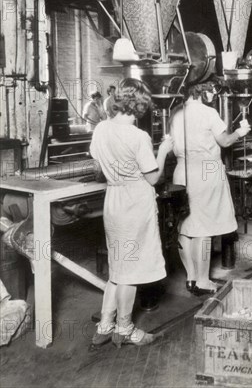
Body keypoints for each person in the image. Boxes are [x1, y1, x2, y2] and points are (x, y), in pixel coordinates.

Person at [90, 78, 173, 348]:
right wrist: (163, 153)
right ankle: (125, 328)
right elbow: (153, 179)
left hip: (113, 199)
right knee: (131, 271)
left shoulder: (101, 129)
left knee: (117, 266)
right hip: (135, 202)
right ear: (141, 105)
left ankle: (104, 325)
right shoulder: (139, 137)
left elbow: (98, 162)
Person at [169, 81, 250, 295]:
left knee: (185, 226)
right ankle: (203, 281)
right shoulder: (208, 112)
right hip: (206, 171)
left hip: (182, 171)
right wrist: (241, 132)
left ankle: (191, 277)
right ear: (201, 91)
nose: (215, 94)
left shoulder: (176, 112)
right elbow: (224, 141)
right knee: (204, 228)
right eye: (213, 90)